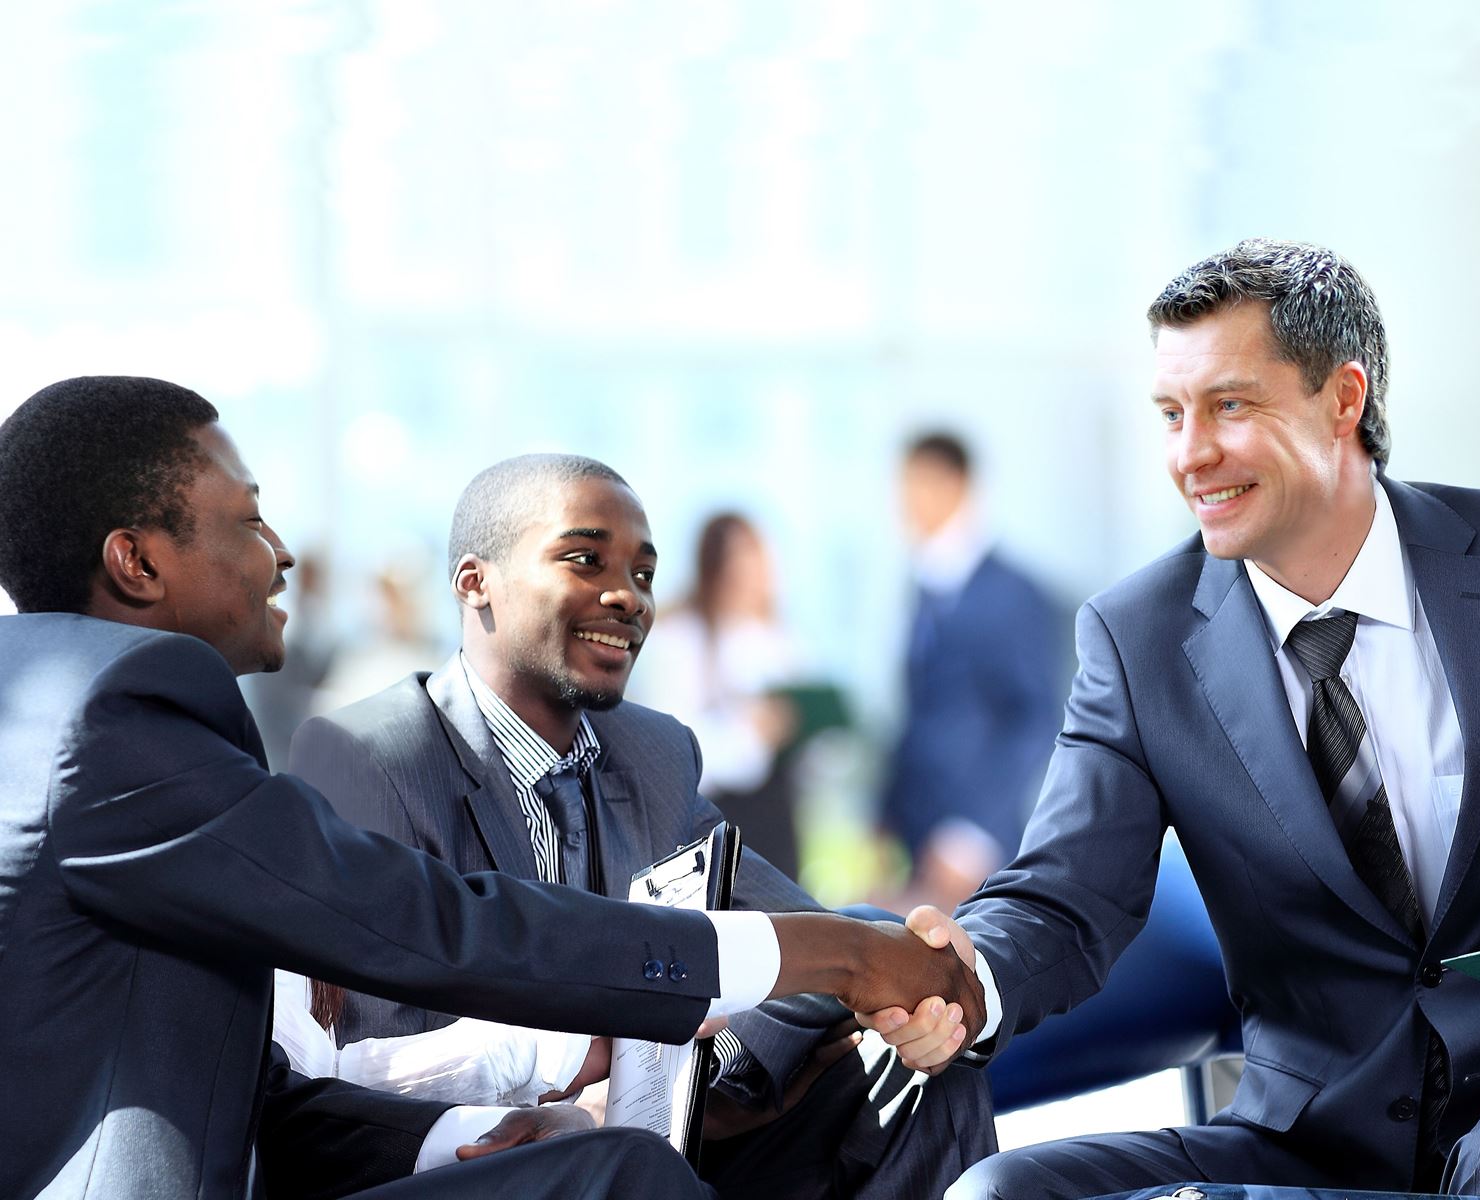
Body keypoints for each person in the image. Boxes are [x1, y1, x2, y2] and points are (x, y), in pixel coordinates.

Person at [862, 239, 1480, 1200]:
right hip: (1306, 1134)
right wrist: (968, 973)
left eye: (1228, 406)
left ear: (1342, 400)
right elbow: (1066, 894)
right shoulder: (1137, 639)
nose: (1189, 453)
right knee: (1000, 1194)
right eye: (1171, 414)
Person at [0, 376, 985, 1200]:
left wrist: (469, 1137)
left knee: (626, 1156)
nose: (284, 551)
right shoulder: (115, 716)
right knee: (621, 1177)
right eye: (250, 516)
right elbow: (440, 930)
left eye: (642, 570)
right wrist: (839, 954)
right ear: (135, 561)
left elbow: (263, 1093)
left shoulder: (71, 707)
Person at [289, 457, 994, 1199]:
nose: (627, 595)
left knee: (916, 1076)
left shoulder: (652, 752)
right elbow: (359, 1072)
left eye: (645, 573)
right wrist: (574, 1093)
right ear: (475, 583)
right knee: (631, 1165)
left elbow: (790, 936)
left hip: (650, 1142)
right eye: (584, 559)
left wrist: (896, 1006)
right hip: (488, 1164)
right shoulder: (369, 757)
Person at [880, 432, 1067, 911]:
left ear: (956, 484)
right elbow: (919, 714)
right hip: (917, 834)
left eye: (918, 484)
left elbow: (1034, 719)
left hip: (973, 845)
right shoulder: (923, 584)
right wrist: (883, 818)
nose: (906, 502)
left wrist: (973, 832)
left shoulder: (1012, 592)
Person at [633, 511, 806, 878]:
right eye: (737, 562)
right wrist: (750, 735)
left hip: (776, 826)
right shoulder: (680, 639)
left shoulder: (781, 642)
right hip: (711, 827)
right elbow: (673, 747)